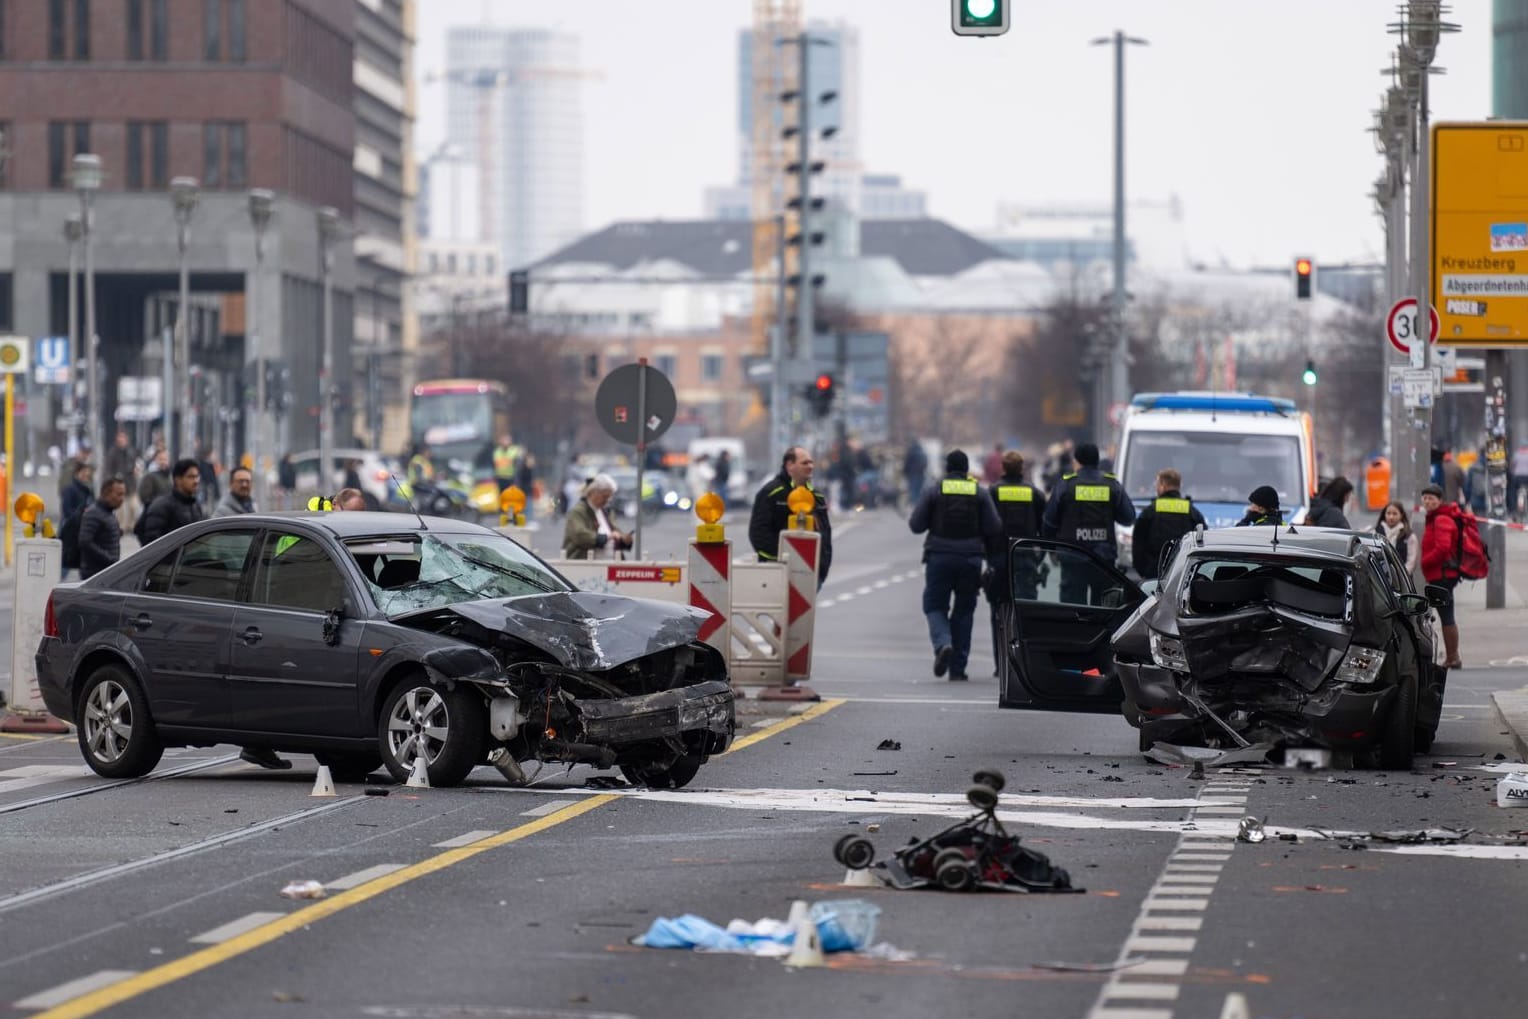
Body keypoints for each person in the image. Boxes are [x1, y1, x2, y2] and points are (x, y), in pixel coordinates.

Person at [909, 449, 1002, 681]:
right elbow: (994, 527)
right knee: (964, 612)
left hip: (939, 557)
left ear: (947, 468)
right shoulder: (979, 493)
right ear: (966, 468)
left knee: (934, 606)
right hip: (970, 559)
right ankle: (957, 669)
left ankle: (943, 644)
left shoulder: (934, 490)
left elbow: (916, 525)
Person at [984, 450, 1045, 671]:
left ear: (1003, 468)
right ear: (1021, 469)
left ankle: (1000, 664)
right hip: (1026, 558)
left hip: (999, 558)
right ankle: (1023, 663)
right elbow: (1044, 527)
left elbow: (986, 526)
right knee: (1025, 612)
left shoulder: (993, 492)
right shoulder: (1034, 493)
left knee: (998, 612)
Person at [748, 446, 833, 587]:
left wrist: (823, 568)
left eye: (811, 462)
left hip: (813, 575)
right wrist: (780, 561)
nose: (810, 466)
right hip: (778, 574)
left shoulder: (816, 496)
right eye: (805, 463)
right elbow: (759, 533)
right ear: (790, 465)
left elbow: (825, 533)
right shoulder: (771, 493)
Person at [1042, 442, 1135, 561]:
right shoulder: (1112, 485)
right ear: (1097, 460)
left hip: (1071, 556)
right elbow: (1129, 518)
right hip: (1103, 559)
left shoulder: (1065, 485)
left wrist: (1052, 550)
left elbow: (1049, 522)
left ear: (1076, 461)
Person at [1131, 468, 1206, 581]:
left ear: (1163, 485)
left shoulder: (1150, 511)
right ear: (1179, 485)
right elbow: (1202, 543)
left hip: (1154, 575)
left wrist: (1144, 572)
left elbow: (1138, 546)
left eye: (1157, 484)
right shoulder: (1192, 513)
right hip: (1182, 575)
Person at [1421, 483, 1465, 668]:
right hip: (1441, 574)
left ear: (1440, 501)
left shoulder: (1441, 520)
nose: (1428, 501)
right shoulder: (1434, 518)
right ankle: (1452, 656)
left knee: (1446, 615)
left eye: (1432, 498)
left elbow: (1443, 548)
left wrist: (1425, 561)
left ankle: (1453, 657)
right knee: (1445, 614)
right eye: (1425, 498)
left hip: (1443, 575)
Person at [563, 474, 632, 559]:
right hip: (584, 565)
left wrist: (624, 540)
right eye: (605, 496)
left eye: (610, 497)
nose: (607, 500)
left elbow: (615, 533)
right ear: (593, 492)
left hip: (609, 565)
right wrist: (607, 537)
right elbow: (579, 535)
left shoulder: (608, 512)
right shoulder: (578, 511)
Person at [138, 458, 204, 543]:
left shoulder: (195, 506)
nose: (196, 481)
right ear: (178, 480)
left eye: (197, 476)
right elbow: (152, 541)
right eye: (191, 477)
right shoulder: (162, 506)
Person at [79, 476, 126, 579]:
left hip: (105, 571)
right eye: (119, 494)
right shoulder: (93, 513)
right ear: (106, 494)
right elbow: (85, 542)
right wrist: (109, 559)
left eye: (123, 494)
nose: (122, 498)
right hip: (94, 573)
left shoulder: (108, 512)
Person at [103, 430, 140, 531]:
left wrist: (136, 470)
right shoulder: (112, 452)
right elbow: (108, 469)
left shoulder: (131, 451)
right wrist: (111, 481)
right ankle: (121, 527)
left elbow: (137, 463)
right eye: (120, 439)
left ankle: (131, 525)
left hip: (131, 484)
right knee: (120, 509)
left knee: (133, 506)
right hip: (118, 484)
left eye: (123, 438)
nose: (121, 441)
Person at [1375, 500, 1419, 576]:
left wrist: (1401, 577)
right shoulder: (1376, 533)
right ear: (1384, 514)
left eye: (1395, 514)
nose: (1391, 517)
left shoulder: (1409, 536)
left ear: (1401, 515)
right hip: (1380, 579)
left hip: (1403, 579)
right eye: (1388, 513)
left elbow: (1411, 561)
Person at [903, 439, 928, 505]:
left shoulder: (911, 451)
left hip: (912, 473)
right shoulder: (922, 451)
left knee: (913, 489)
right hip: (921, 473)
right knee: (918, 489)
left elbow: (907, 462)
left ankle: (914, 504)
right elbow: (926, 463)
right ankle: (917, 503)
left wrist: (904, 471)